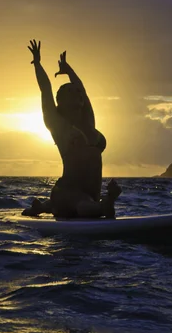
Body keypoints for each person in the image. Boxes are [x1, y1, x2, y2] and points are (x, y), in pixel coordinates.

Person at [21, 39, 122, 219]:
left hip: (90, 192)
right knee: (83, 207)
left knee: (85, 204)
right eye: (71, 91)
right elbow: (45, 88)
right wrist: (37, 63)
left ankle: (42, 206)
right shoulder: (57, 125)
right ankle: (104, 205)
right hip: (68, 192)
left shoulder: (88, 122)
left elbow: (82, 89)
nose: (78, 93)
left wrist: (69, 71)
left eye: (78, 92)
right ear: (62, 101)